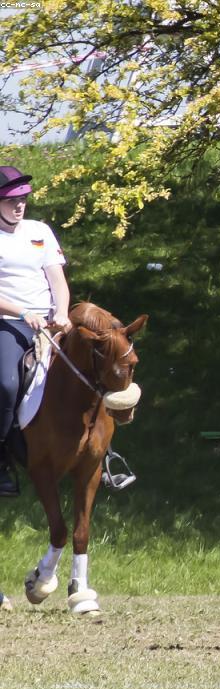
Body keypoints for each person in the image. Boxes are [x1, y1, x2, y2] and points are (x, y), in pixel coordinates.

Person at [0, 166, 70, 498]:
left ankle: (106, 453)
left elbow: (57, 279)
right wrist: (23, 312)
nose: (20, 206)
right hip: (8, 322)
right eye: (12, 200)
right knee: (6, 383)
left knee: (91, 369)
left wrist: (62, 312)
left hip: (47, 321)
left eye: (23, 200)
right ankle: (2, 457)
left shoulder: (39, 230)